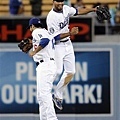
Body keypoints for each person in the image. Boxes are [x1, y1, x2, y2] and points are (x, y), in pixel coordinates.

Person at [46, 0, 97, 110]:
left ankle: (57, 95)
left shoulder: (66, 9)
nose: (60, 3)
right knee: (58, 71)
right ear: (53, 2)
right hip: (58, 46)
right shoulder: (51, 17)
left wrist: (94, 9)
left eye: (61, 1)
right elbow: (54, 38)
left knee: (71, 71)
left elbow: (79, 11)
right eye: (57, 1)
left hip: (68, 44)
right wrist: (70, 33)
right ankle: (45, 91)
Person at [26, 17, 78, 120]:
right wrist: (69, 33)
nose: (31, 29)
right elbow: (54, 38)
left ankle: (52, 118)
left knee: (44, 94)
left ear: (32, 26)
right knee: (41, 96)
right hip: (48, 65)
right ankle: (44, 118)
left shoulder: (37, 32)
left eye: (30, 27)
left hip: (45, 65)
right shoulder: (46, 32)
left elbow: (44, 41)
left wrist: (34, 51)